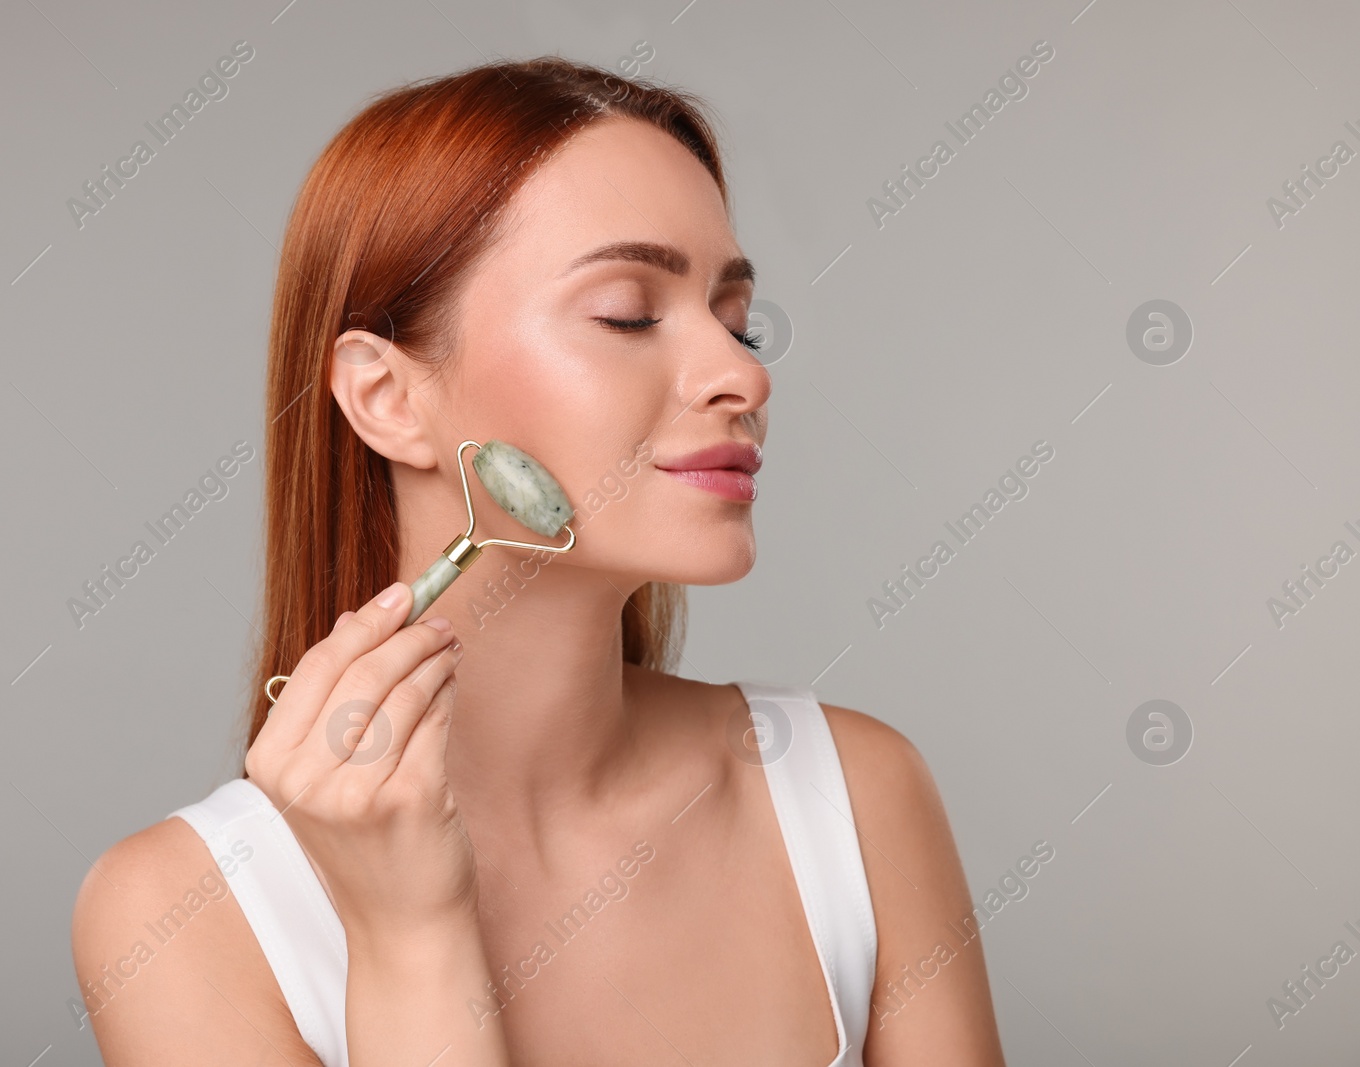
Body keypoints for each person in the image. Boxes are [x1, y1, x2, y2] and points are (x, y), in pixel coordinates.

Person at [70, 55, 1006, 1066]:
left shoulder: (853, 796)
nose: (742, 372)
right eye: (626, 313)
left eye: (734, 320)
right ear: (387, 398)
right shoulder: (177, 913)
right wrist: (412, 939)